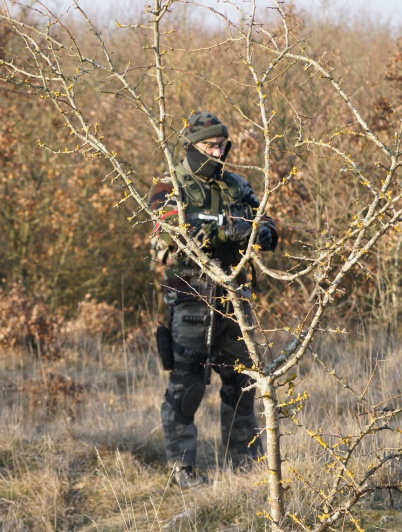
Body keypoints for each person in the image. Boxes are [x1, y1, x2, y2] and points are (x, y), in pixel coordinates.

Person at [149, 111, 279, 488]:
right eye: (210, 145)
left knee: (243, 385)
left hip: (234, 298)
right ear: (192, 147)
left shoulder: (238, 186)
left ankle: (244, 468)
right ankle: (182, 471)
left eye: (222, 145)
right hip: (189, 299)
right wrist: (227, 232)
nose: (218, 152)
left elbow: (268, 228)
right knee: (187, 388)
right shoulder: (169, 185)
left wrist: (254, 232)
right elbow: (176, 234)